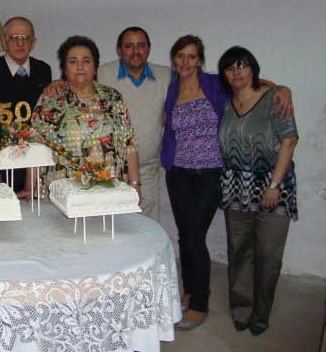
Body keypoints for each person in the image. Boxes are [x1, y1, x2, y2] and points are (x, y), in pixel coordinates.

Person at [161, 35, 292, 331]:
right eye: (180, 56)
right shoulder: (171, 90)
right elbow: (168, 126)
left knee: (195, 236)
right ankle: (189, 290)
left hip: (211, 173)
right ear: (174, 60)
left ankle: (199, 303)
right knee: (185, 235)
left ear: (200, 60)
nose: (185, 62)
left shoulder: (215, 85)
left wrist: (284, 89)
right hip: (178, 173)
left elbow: (255, 85)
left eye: (191, 56)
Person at [217, 46, 298, 336]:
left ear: (253, 68)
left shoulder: (274, 98)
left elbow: (290, 141)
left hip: (272, 189)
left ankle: (261, 312)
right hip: (236, 188)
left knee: (268, 256)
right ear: (224, 74)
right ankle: (241, 308)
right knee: (239, 252)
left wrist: (274, 185)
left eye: (242, 66)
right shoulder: (226, 103)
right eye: (230, 67)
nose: (236, 72)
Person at [32, 35, 141, 194]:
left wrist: (135, 184)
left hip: (109, 190)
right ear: (64, 67)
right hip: (62, 195)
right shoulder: (50, 101)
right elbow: (35, 145)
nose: (80, 66)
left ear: (95, 66)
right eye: (73, 61)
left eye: (86, 61)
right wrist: (31, 186)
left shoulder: (113, 98)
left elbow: (130, 143)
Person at [97, 27, 172, 222]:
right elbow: (74, 83)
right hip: (111, 169)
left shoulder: (166, 76)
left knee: (147, 226)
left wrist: (253, 83)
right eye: (129, 46)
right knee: (113, 226)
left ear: (148, 48)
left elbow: (198, 84)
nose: (135, 51)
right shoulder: (102, 74)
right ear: (119, 50)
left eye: (141, 45)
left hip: (148, 169)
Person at [0, 16, 52, 198]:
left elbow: (43, 123)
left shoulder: (44, 70)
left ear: (33, 42)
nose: (20, 43)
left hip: (33, 164)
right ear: (4, 41)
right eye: (13, 38)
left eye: (25, 38)